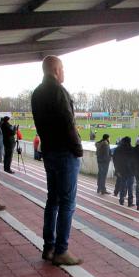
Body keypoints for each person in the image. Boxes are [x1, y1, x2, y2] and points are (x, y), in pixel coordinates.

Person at [31, 55, 83, 266]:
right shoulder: (59, 92)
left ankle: (49, 247)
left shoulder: (36, 93)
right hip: (64, 153)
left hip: (49, 151)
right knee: (67, 202)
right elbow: (68, 124)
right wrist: (78, 149)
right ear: (55, 69)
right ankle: (61, 250)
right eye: (63, 69)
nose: (64, 72)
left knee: (52, 200)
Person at [113, 136, 135, 207]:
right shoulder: (132, 149)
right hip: (131, 171)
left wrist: (117, 170)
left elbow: (115, 160)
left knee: (123, 185)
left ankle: (121, 200)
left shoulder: (117, 149)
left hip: (121, 171)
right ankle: (130, 202)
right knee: (130, 187)